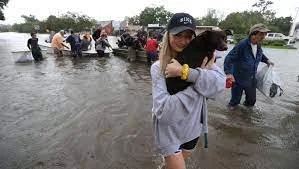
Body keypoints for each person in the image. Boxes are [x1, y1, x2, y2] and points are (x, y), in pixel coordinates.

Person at [150, 12, 226, 169]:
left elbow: (219, 87)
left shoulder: (205, 59)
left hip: (192, 130)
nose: (183, 41)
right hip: (169, 132)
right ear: (168, 35)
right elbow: (165, 112)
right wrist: (199, 82)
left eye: (188, 36)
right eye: (178, 35)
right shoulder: (159, 68)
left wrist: (188, 73)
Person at [224, 23, 274, 109]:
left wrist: (267, 61)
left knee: (251, 102)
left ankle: (245, 118)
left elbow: (260, 54)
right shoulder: (242, 45)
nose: (264, 37)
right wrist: (229, 73)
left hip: (251, 79)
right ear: (254, 34)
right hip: (238, 79)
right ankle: (230, 119)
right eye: (261, 34)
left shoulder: (258, 44)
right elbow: (229, 59)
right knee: (234, 103)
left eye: (264, 34)